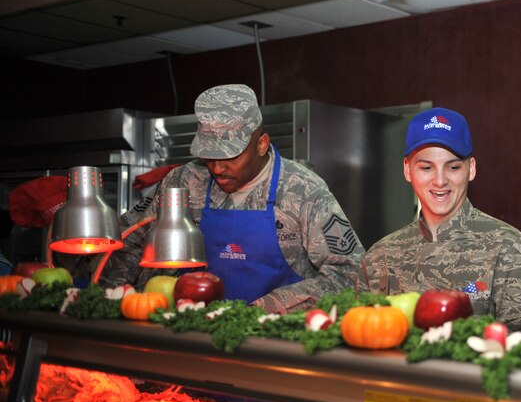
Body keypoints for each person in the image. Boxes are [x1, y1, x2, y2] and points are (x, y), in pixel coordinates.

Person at [101, 84, 364, 312]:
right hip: (188, 335)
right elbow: (127, 243)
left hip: (275, 341)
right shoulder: (183, 183)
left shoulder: (305, 191)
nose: (216, 168)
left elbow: (351, 274)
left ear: (261, 144)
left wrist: (268, 307)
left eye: (230, 157)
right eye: (209, 155)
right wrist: (107, 300)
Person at [357, 107, 521, 336]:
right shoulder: (379, 257)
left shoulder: (510, 247)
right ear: (407, 170)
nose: (440, 180)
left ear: (471, 169)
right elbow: (361, 338)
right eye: (426, 167)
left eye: (453, 167)